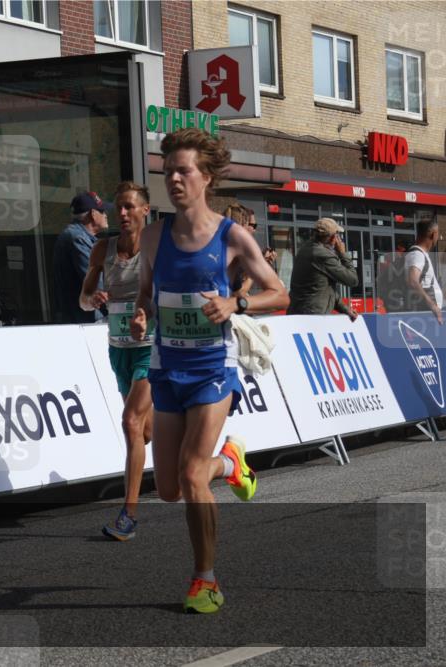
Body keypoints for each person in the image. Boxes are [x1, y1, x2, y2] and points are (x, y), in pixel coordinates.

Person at [130, 128, 289, 614]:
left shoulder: (230, 236)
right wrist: (140, 315)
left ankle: (206, 580)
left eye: (184, 171)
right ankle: (232, 464)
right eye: (168, 171)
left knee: (193, 476)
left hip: (211, 370)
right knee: (171, 489)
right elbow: (144, 294)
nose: (174, 179)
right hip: (166, 367)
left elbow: (279, 294)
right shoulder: (154, 236)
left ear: (207, 177)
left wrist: (235, 301)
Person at [79, 182, 154, 540]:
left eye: (129, 207)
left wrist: (147, 316)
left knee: (130, 422)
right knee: (146, 431)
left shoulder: (156, 250)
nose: (122, 214)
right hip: (118, 349)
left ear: (145, 211)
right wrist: (93, 298)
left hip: (152, 347)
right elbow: (82, 299)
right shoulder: (101, 250)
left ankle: (129, 514)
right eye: (118, 207)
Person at [53, 191, 112, 323]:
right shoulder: (77, 238)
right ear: (93, 214)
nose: (106, 215)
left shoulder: (79, 236)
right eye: (102, 211)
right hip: (85, 322)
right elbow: (97, 284)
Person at [287, 218, 359, 321]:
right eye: (337, 234)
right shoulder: (322, 255)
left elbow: (325, 288)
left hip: (301, 313)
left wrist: (346, 309)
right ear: (333, 237)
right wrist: (343, 254)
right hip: (312, 318)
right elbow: (353, 280)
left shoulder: (306, 249)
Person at [404, 220, 443, 324]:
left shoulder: (419, 254)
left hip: (427, 315)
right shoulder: (417, 255)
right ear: (433, 234)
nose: (438, 238)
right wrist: (433, 306)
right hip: (427, 316)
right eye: (438, 234)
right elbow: (413, 281)